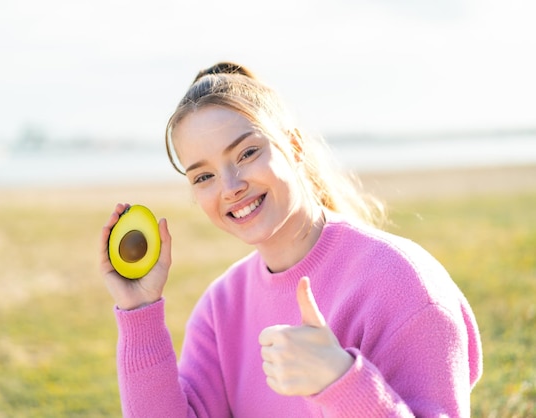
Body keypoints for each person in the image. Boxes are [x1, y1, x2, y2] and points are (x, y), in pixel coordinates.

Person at [99, 62, 483, 417]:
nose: (230, 187)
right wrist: (139, 311)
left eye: (247, 153)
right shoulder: (221, 306)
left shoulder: (403, 284)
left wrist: (341, 381)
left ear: (294, 147)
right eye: (203, 176)